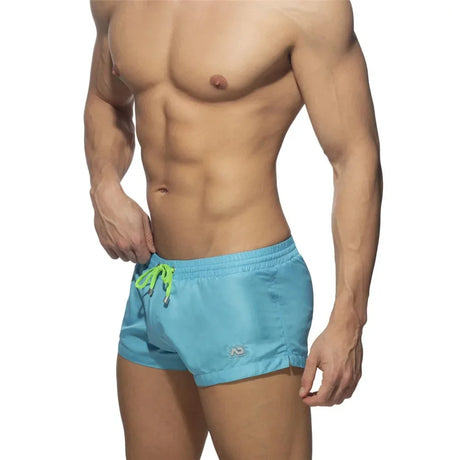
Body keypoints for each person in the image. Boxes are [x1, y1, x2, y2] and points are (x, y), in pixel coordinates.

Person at [84, 1, 382, 459]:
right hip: (154, 281)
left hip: (246, 290)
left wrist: (349, 317)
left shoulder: (304, 7)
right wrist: (104, 184)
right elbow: (107, 97)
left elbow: (354, 157)